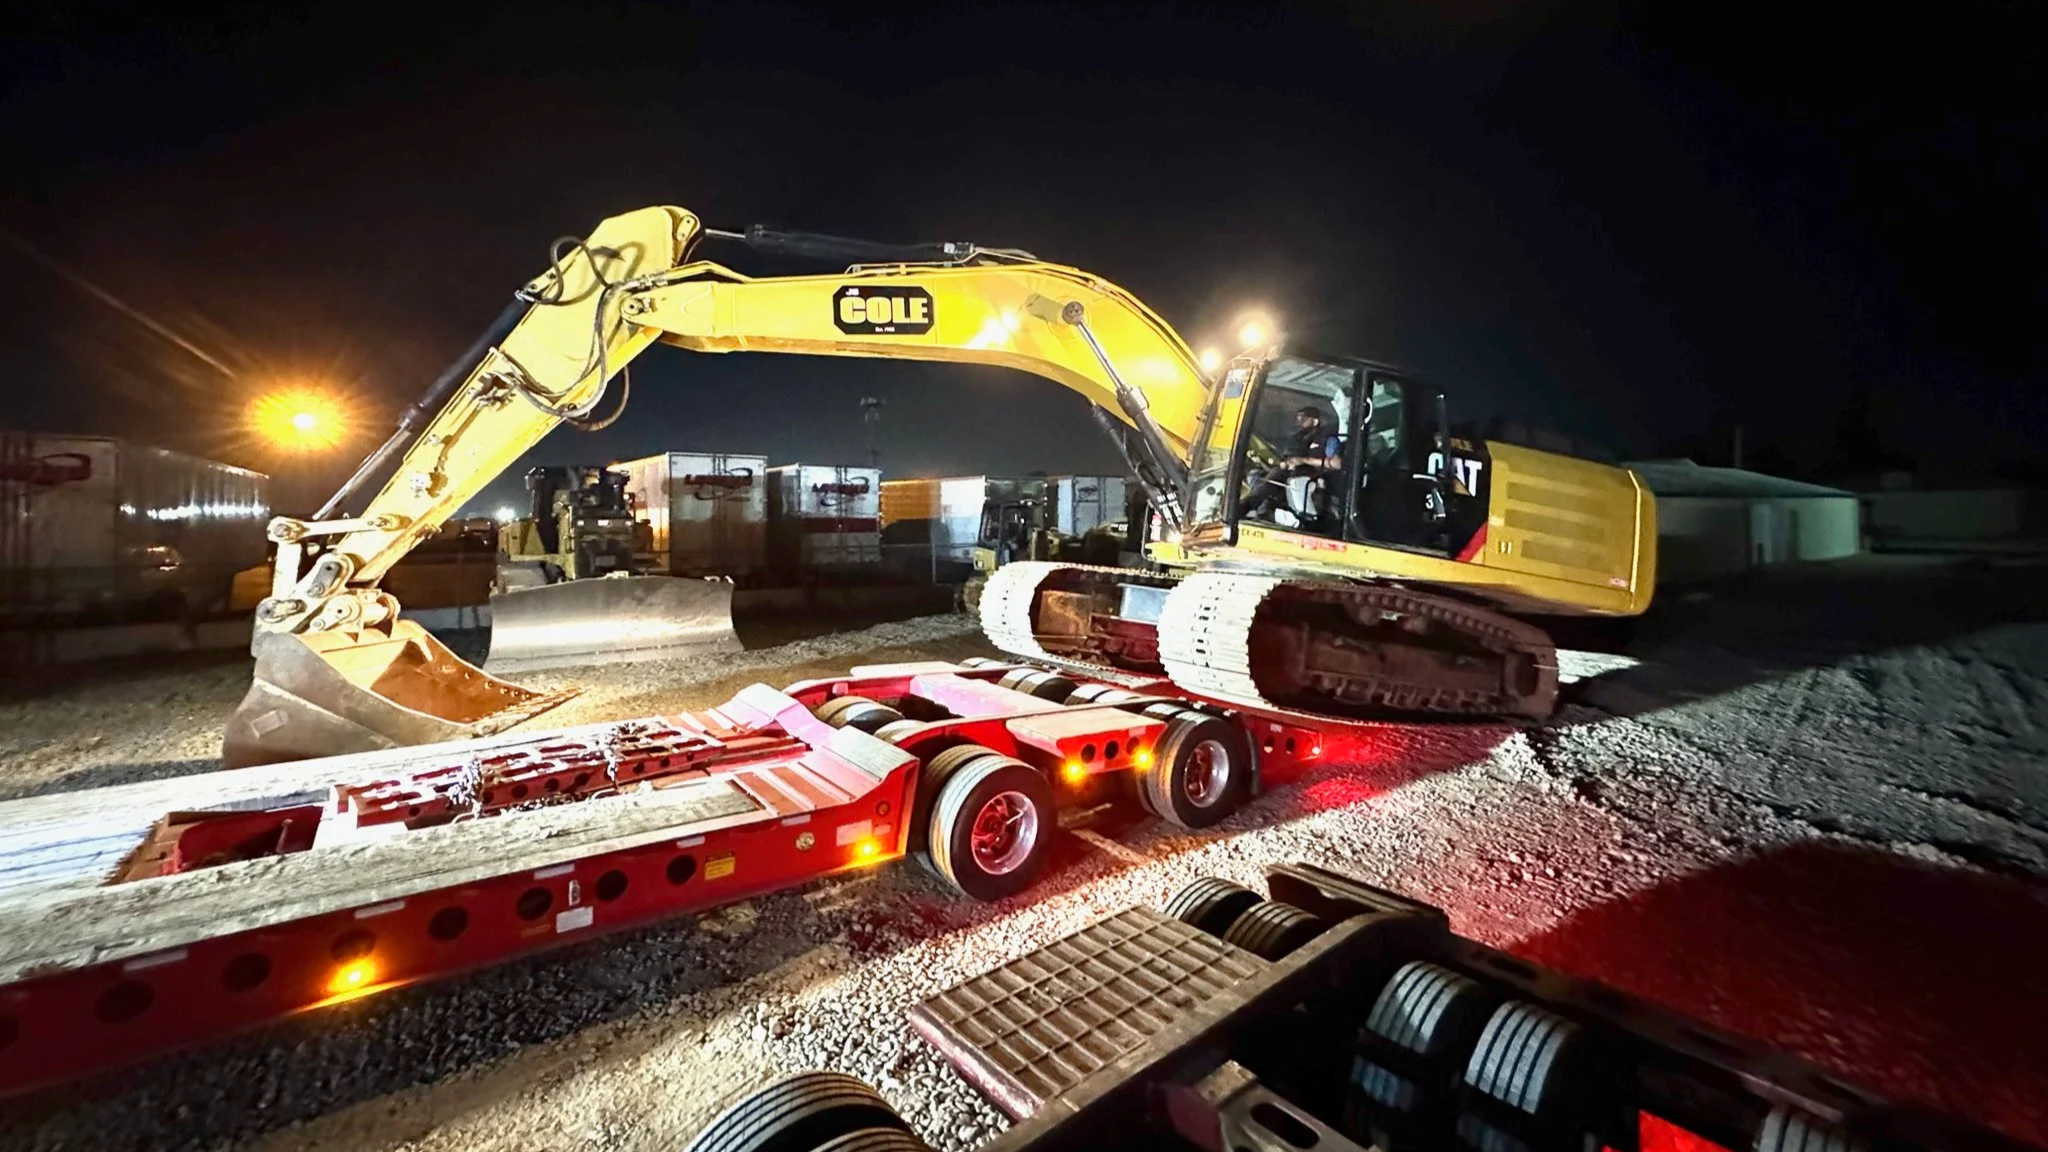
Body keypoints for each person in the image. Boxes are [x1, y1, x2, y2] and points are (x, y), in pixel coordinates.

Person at [1240, 405, 1343, 523]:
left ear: (1315, 421)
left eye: (1303, 419)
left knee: (1276, 476)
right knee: (1255, 475)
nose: (1298, 422)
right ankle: (1262, 513)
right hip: (1289, 474)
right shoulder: (1295, 440)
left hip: (1314, 477)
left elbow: (1336, 464)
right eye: (1297, 418)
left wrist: (1303, 461)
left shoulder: (1328, 440)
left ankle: (1248, 505)